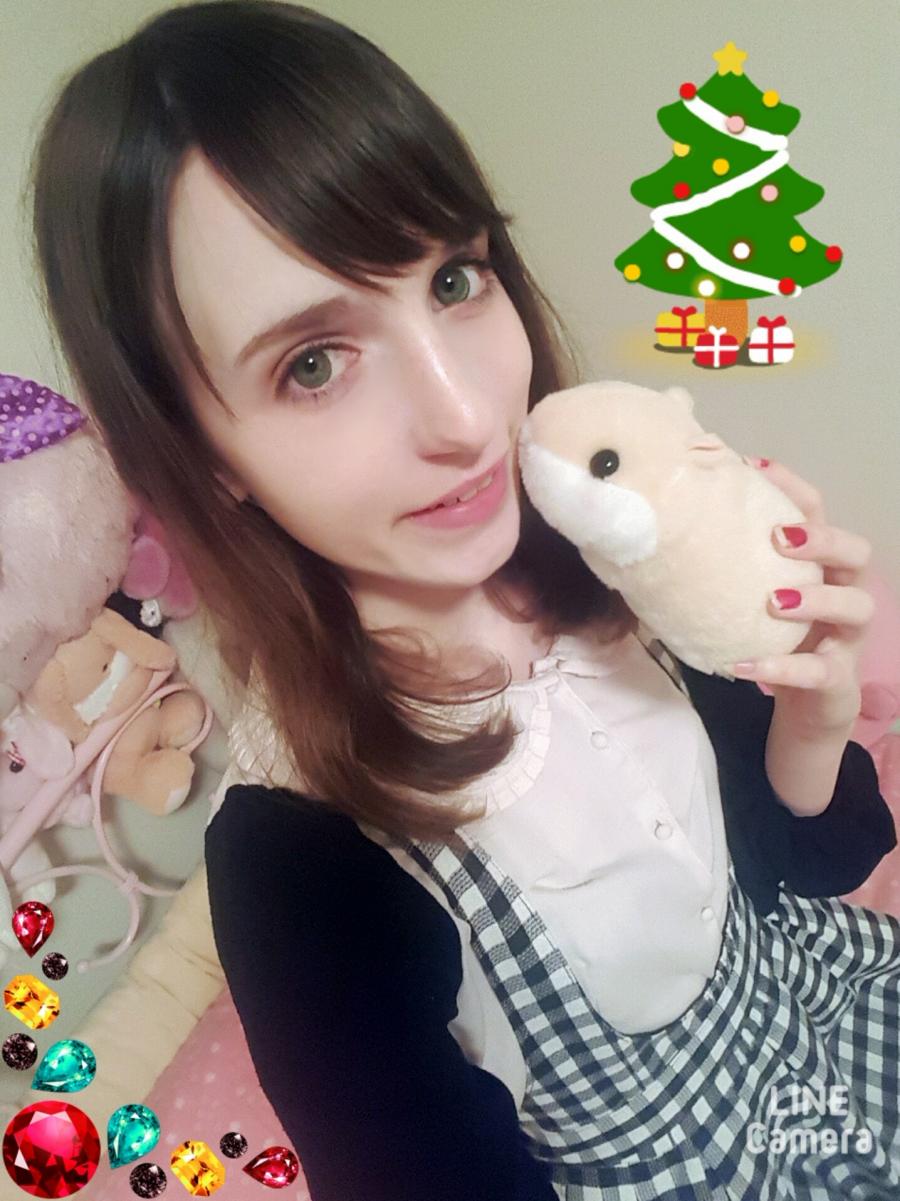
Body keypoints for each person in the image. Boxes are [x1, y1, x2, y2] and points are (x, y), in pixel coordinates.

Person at [28, 3, 899, 1198]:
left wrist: (814, 716)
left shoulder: (601, 559)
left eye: (453, 278)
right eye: (314, 364)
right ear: (197, 451)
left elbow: (812, 859)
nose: (465, 412)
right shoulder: (302, 864)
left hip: (824, 1014)